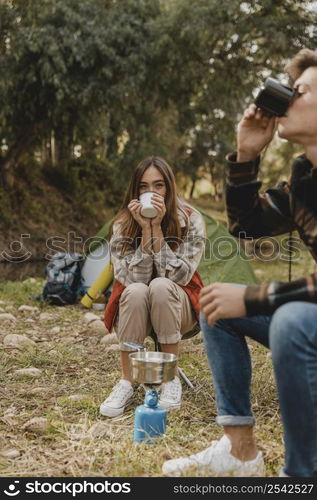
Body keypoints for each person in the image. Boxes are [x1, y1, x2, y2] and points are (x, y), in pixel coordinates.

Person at [162, 48, 317, 477]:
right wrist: (246, 153)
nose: (284, 98)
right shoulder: (306, 179)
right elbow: (246, 226)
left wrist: (255, 296)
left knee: (295, 320)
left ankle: (302, 476)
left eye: (298, 91)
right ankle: (240, 452)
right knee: (216, 304)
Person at [100, 156, 205, 417]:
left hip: (178, 309)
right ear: (135, 191)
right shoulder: (122, 225)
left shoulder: (191, 219)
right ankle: (127, 381)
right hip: (135, 310)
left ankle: (169, 379)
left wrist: (157, 229)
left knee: (160, 285)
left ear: (168, 188)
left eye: (158, 186)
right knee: (136, 291)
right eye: (144, 187)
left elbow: (180, 276)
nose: (151, 193)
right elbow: (132, 279)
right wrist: (144, 230)